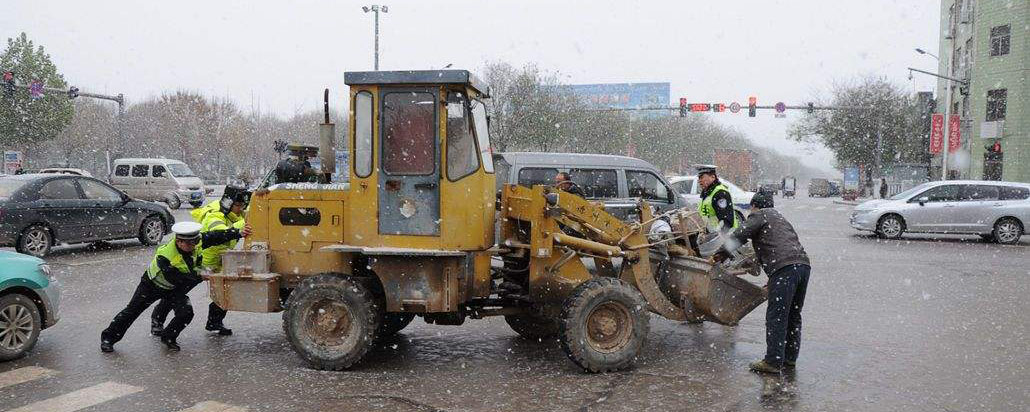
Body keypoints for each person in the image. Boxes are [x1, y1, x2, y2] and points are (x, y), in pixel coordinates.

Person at [100, 221, 246, 352]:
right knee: (132, 311)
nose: (194, 246)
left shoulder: (194, 241)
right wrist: (201, 275)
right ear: (179, 241)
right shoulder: (166, 256)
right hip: (152, 286)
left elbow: (214, 236)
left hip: (173, 289)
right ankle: (108, 338)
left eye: (195, 242)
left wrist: (238, 233)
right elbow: (177, 278)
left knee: (186, 313)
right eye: (189, 244)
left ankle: (168, 337)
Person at [727, 192, 810, 374]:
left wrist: (718, 255)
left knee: (776, 316)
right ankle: (789, 358)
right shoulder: (780, 218)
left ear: (754, 206)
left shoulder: (760, 214)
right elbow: (781, 245)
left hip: (785, 269)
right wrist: (775, 278)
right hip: (802, 266)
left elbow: (739, 236)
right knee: (793, 315)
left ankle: (772, 361)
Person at [151, 186, 251, 337]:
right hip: (201, 262)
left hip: (220, 261)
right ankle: (157, 320)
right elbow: (219, 233)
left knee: (224, 292)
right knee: (178, 292)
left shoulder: (236, 215)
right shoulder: (214, 215)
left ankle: (214, 323)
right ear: (228, 203)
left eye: (243, 205)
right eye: (238, 205)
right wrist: (243, 226)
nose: (241, 209)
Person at [695, 165, 736, 232]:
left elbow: (726, 221)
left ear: (713, 177)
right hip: (711, 233)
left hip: (724, 235)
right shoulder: (707, 193)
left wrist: (718, 235)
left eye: (701, 177)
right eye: (699, 178)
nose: (699, 181)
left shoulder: (720, 193)